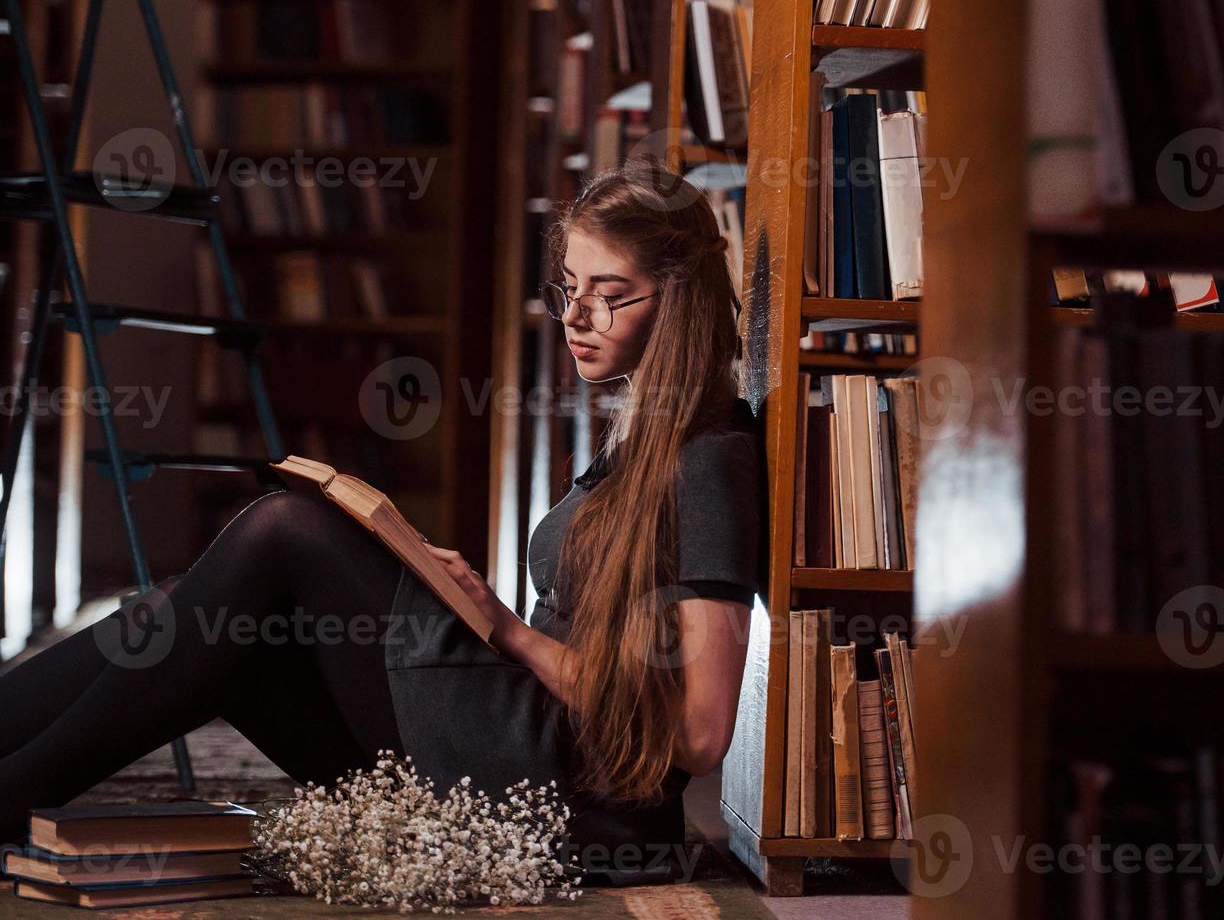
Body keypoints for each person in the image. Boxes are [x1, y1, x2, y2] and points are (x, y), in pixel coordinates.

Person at [0, 158, 767, 885]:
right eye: (566, 287)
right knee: (193, 616)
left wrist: (505, 630)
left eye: (608, 293)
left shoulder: (707, 461)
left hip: (570, 795)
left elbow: (697, 735)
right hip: (517, 743)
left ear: (677, 298)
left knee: (284, 531)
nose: (575, 316)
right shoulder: (647, 436)